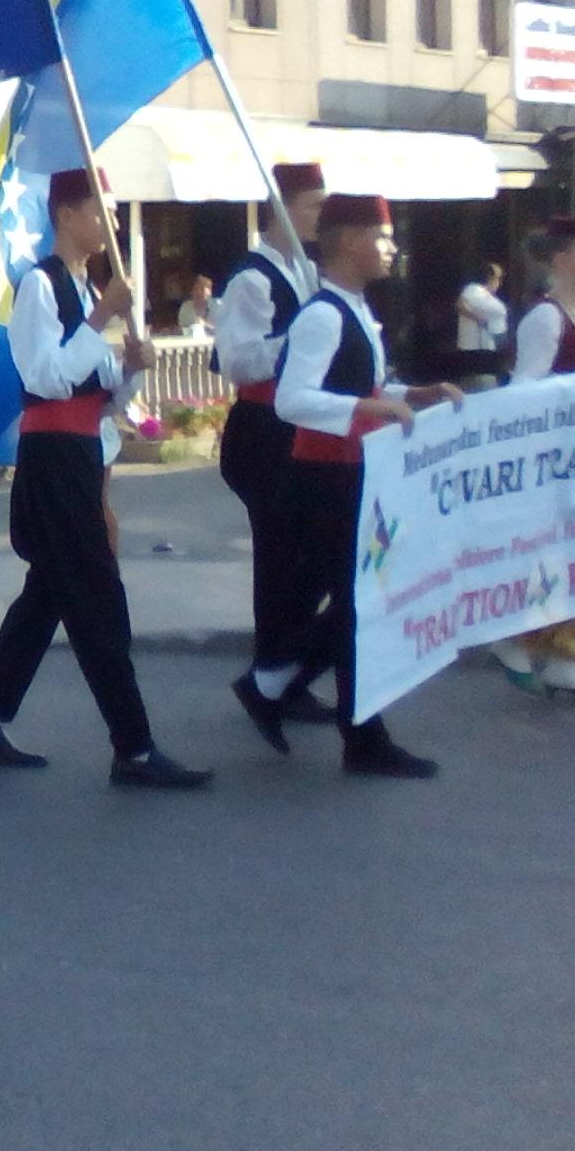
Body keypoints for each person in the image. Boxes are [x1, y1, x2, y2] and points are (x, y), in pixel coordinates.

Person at [0, 169, 209, 788]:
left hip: (81, 454)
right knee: (96, 596)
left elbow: (102, 396)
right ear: (67, 214)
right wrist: (99, 320)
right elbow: (46, 378)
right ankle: (135, 747)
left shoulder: (79, 286)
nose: (112, 224)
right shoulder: (40, 287)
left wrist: (132, 369)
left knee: (48, 596)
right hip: (53, 461)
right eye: (104, 211)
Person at [253, 194, 462, 778]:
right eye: (383, 237)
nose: (392, 250)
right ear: (348, 241)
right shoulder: (321, 314)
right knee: (357, 607)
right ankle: (351, 731)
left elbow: (359, 384)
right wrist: (371, 404)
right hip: (323, 478)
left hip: (351, 472)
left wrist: (408, 395)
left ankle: (277, 686)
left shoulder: (353, 308)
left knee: (356, 606)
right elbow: (292, 400)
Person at [212, 160, 337, 732]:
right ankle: (273, 669)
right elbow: (235, 359)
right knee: (279, 556)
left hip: (296, 424)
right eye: (313, 204)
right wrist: (298, 341)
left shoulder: (307, 273)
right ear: (281, 207)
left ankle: (282, 671)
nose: (322, 215)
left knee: (302, 554)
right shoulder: (253, 278)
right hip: (262, 424)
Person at [486, 218, 575, 701]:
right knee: (547, 553)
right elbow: (526, 390)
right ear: (561, 258)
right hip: (558, 456)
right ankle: (510, 635)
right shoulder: (547, 318)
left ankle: (565, 656)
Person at [454, 259, 510, 389]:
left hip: (490, 349)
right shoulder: (473, 290)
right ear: (490, 277)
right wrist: (477, 318)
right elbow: (459, 304)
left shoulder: (488, 297)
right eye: (498, 278)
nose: (500, 283)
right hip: (476, 350)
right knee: (481, 386)